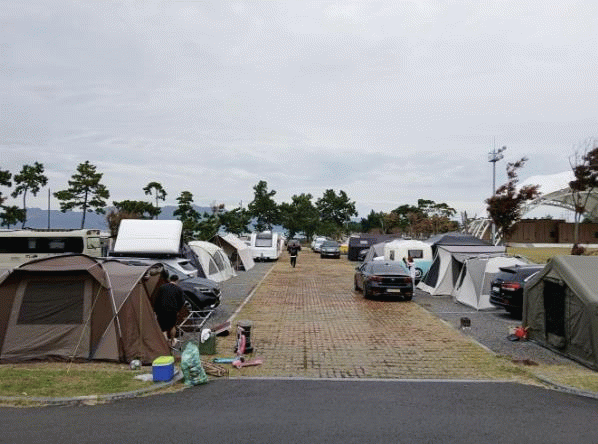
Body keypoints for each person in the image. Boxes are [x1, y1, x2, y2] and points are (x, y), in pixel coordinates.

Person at [153, 274, 186, 347]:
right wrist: (177, 310)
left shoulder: (162, 287)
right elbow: (182, 301)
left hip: (162, 310)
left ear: (169, 279)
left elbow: (157, 299)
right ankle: (172, 340)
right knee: (172, 326)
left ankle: (165, 343)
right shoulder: (178, 289)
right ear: (177, 280)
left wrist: (155, 310)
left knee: (163, 328)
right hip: (172, 310)